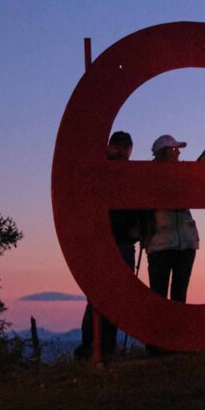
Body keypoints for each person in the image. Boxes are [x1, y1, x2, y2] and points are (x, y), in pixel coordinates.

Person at [80, 131, 148, 361]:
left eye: (125, 146)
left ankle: (104, 347)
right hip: (106, 242)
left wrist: (138, 228)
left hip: (121, 242)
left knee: (113, 297)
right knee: (100, 297)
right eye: (118, 146)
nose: (122, 150)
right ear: (109, 147)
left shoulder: (127, 173)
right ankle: (94, 347)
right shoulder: (102, 170)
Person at [143, 132, 205, 311]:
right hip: (160, 245)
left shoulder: (182, 174)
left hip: (186, 244)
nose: (178, 153)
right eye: (174, 149)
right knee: (158, 297)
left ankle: (175, 337)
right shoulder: (148, 177)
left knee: (179, 296)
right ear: (162, 152)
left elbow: (195, 175)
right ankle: (157, 338)